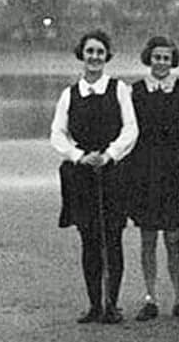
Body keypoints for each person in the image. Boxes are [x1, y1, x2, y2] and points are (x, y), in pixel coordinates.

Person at [50, 30, 138, 324]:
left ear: (107, 56)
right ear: (82, 54)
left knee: (112, 237)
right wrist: (79, 156)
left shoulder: (119, 89)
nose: (95, 57)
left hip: (113, 171)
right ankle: (94, 305)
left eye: (100, 52)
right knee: (89, 238)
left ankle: (112, 304)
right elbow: (57, 134)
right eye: (90, 51)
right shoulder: (70, 94)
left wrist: (110, 154)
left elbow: (130, 129)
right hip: (81, 173)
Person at [125, 36, 179, 321]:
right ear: (148, 59)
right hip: (144, 169)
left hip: (171, 168)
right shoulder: (134, 92)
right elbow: (129, 135)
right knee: (148, 236)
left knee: (173, 237)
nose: (161, 63)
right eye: (157, 57)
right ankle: (151, 296)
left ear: (172, 60)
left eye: (166, 58)